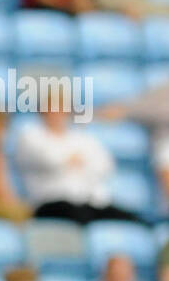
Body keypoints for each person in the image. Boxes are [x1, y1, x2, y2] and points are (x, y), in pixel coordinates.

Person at [15, 90, 135, 224]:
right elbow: (49, 160)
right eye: (51, 108)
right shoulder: (31, 135)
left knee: (129, 219)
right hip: (50, 202)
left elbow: (104, 165)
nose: (56, 113)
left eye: (60, 107)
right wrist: (72, 161)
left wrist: (70, 161)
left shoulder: (82, 137)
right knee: (79, 216)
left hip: (89, 202)